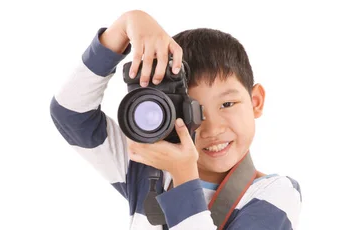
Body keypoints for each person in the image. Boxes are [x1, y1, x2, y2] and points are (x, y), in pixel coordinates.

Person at [49, 10, 302, 230]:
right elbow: (69, 112)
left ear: (256, 101)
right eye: (193, 109)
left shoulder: (277, 193)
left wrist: (184, 176)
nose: (213, 128)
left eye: (227, 104)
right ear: (170, 114)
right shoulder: (147, 169)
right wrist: (124, 26)